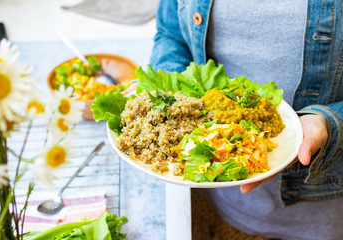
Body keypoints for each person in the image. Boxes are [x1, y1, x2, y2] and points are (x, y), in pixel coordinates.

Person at [124, 1, 343, 239]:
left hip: (320, 210)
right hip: (210, 195)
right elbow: (171, 33)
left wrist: (330, 121)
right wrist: (168, 93)